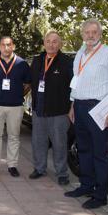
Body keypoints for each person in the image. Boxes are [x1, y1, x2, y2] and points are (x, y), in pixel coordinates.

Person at [65, 19, 108, 209]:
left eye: (94, 32)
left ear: (100, 34)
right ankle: (86, 186)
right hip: (80, 107)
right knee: (83, 149)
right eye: (87, 32)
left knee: (100, 153)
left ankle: (100, 196)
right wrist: (72, 105)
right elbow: (76, 82)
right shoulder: (79, 54)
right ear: (82, 34)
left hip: (100, 108)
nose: (90, 36)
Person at [28, 31, 73, 185]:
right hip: (38, 109)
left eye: (55, 42)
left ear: (60, 44)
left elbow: (74, 88)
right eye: (48, 41)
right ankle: (39, 168)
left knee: (59, 143)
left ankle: (62, 173)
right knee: (38, 141)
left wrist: (72, 108)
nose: (51, 44)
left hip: (59, 111)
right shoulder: (37, 60)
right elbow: (30, 82)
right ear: (44, 43)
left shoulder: (67, 62)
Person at [0, 36, 31, 177]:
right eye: (3, 45)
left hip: (15, 106)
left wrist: (18, 94)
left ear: (13, 46)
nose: (6, 48)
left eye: (9, 45)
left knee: (14, 136)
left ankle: (12, 165)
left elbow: (28, 84)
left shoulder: (22, 64)